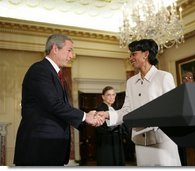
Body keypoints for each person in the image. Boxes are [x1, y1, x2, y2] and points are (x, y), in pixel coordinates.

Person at [13, 34, 104, 166]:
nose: (72, 55)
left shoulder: (58, 76)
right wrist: (85, 116)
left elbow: (61, 108)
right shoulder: (40, 70)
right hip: (39, 149)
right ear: (55, 49)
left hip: (52, 148)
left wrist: (89, 118)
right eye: (69, 50)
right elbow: (54, 104)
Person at [97, 39, 181, 166]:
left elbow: (172, 109)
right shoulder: (131, 82)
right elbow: (127, 110)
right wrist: (107, 114)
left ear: (145, 54)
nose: (130, 58)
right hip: (140, 142)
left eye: (133, 54)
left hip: (162, 142)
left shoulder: (164, 77)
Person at [95, 86, 125, 166]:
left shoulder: (115, 108)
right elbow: (100, 129)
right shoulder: (99, 109)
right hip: (106, 142)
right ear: (103, 97)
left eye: (113, 95)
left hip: (116, 140)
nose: (111, 97)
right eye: (108, 95)